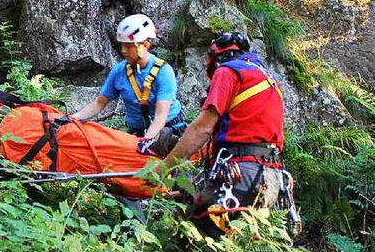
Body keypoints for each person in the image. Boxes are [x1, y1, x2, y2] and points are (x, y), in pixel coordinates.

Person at [159, 32, 288, 237]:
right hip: (270, 178)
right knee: (238, 249)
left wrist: (164, 167)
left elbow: (202, 128)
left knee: (192, 233)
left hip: (240, 175)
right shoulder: (269, 79)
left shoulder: (228, 72)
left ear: (215, 57)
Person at [74, 14, 186, 143]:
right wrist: (73, 118)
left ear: (145, 45)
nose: (124, 51)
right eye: (122, 45)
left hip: (168, 131)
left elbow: (161, 115)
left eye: (129, 46)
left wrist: (146, 142)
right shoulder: (119, 71)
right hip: (137, 133)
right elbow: (99, 104)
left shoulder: (163, 71)